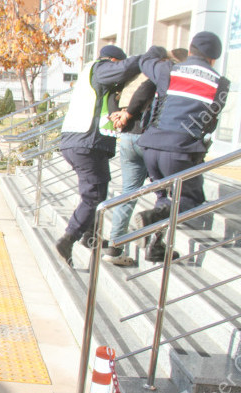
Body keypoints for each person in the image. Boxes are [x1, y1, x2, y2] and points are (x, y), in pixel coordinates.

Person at [133, 32, 230, 261]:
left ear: (190, 49)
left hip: (152, 148)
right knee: (190, 200)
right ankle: (152, 219)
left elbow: (144, 62)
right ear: (214, 59)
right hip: (181, 150)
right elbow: (210, 122)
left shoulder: (170, 70)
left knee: (165, 198)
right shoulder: (220, 84)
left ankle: (156, 246)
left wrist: (157, 50)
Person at [55, 44, 141, 267]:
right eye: (118, 65)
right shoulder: (102, 68)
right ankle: (69, 238)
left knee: (99, 190)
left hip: (82, 141)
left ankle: (90, 236)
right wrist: (147, 58)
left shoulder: (90, 74)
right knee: (94, 195)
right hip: (86, 142)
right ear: (113, 61)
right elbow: (123, 70)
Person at [103, 48, 188, 266]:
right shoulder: (161, 73)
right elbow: (144, 91)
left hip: (128, 138)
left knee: (128, 192)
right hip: (148, 139)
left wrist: (118, 115)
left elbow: (114, 94)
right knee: (165, 194)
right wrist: (129, 114)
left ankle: (115, 245)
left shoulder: (131, 74)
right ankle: (156, 243)